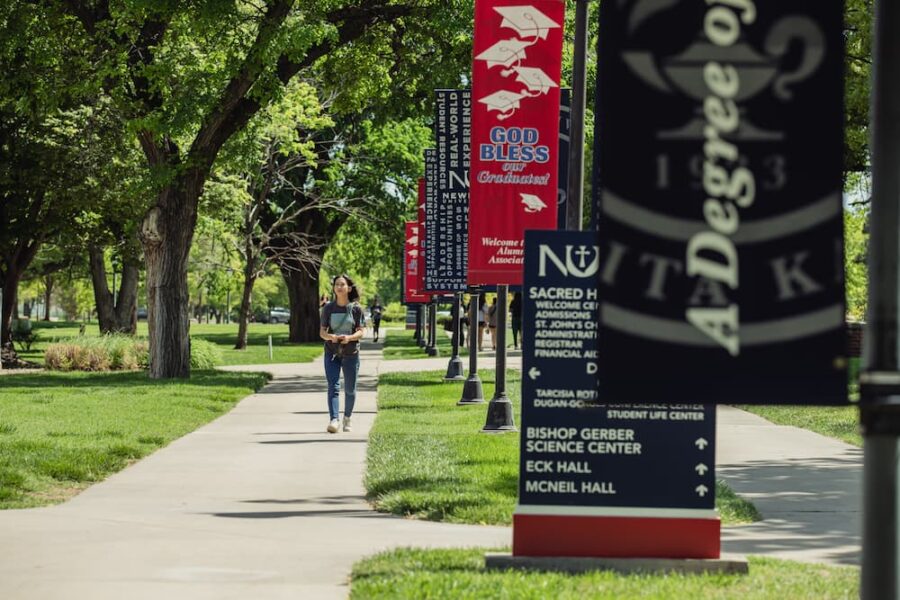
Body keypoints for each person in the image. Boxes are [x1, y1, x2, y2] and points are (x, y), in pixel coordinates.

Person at [319, 274, 366, 434]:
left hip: (351, 353)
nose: (339, 287)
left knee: (350, 389)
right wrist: (330, 337)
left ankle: (347, 417)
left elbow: (361, 331)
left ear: (349, 288)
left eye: (342, 284)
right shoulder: (328, 308)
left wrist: (349, 338)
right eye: (337, 284)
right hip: (331, 352)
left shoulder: (356, 308)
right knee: (333, 386)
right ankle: (334, 419)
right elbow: (322, 332)